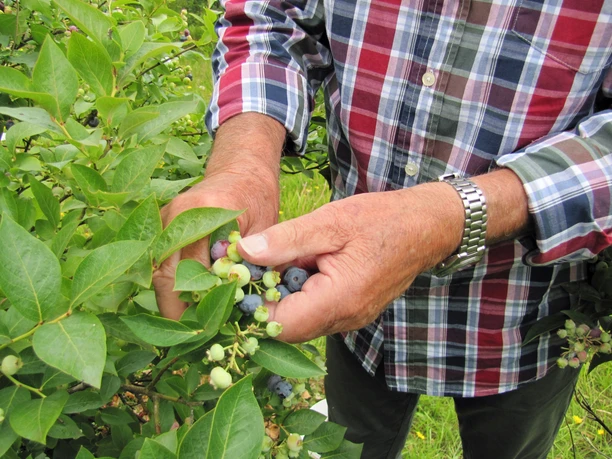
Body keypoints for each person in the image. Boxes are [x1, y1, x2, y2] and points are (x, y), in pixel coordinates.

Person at [153, 1, 612, 457]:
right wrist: (244, 162)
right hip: (358, 323)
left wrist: (452, 216)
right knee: (352, 445)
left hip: (525, 320)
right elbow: (271, 15)